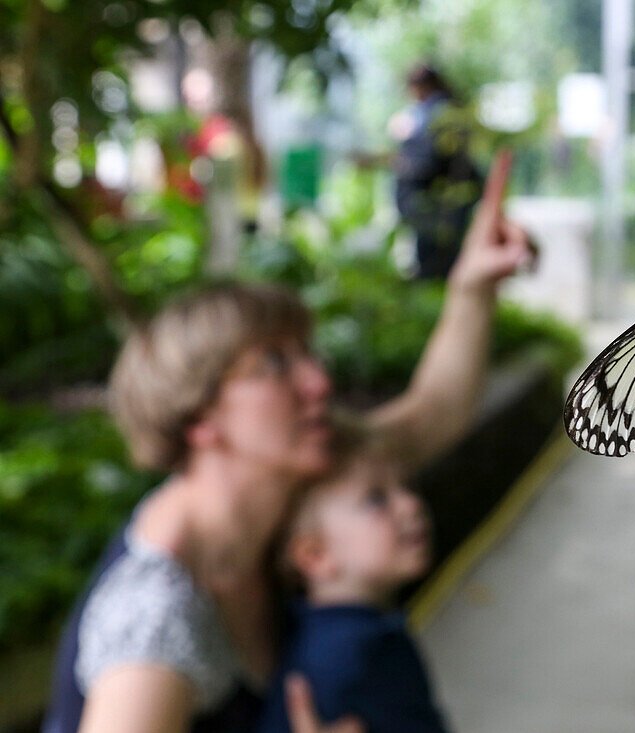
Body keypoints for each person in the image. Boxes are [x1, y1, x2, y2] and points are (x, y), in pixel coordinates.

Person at [42, 152, 529, 733]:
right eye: (272, 365)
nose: (318, 382)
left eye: (306, 353)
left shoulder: (292, 488)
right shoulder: (154, 621)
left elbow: (431, 417)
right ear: (199, 419)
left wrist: (473, 285)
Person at [257, 426, 449, 733]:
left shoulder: (349, 639)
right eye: (375, 500)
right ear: (316, 555)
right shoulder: (344, 662)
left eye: (406, 486)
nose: (410, 504)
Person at [393, 63, 483, 280]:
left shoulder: (432, 113)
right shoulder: (452, 108)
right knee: (447, 261)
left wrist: (401, 156)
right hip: (451, 203)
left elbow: (427, 162)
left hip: (435, 204)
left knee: (434, 265)